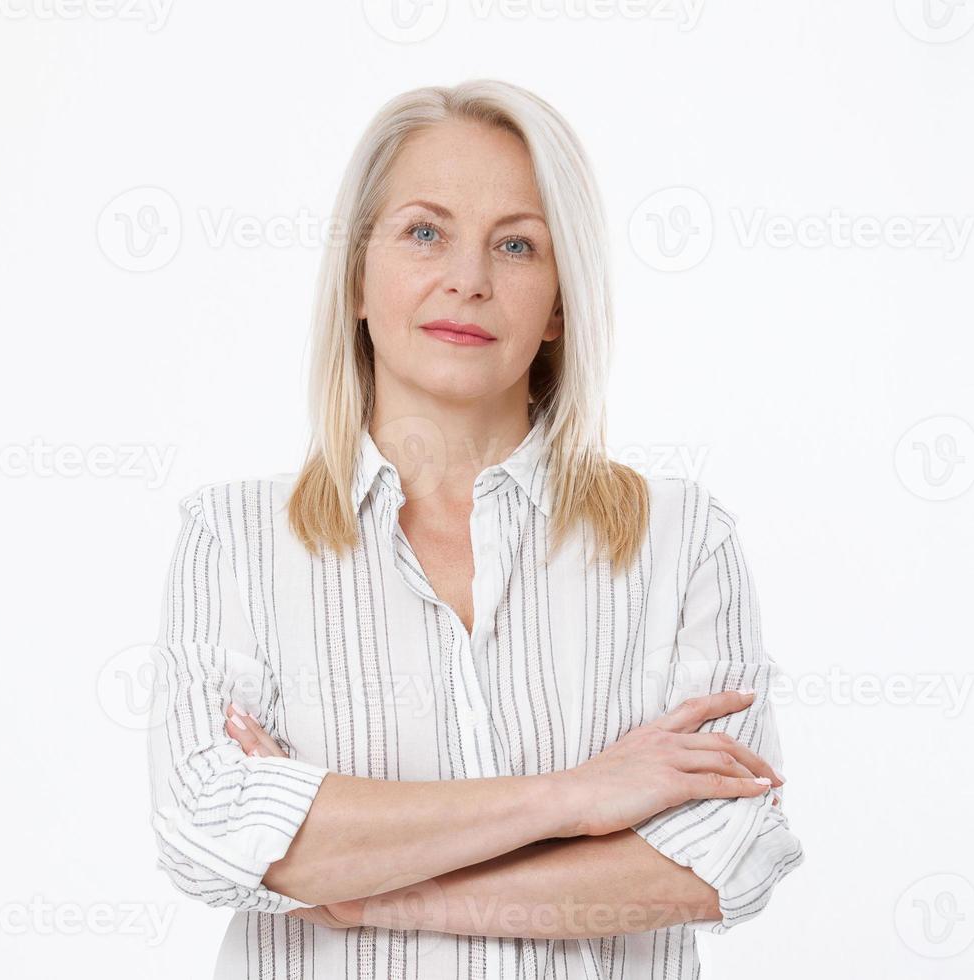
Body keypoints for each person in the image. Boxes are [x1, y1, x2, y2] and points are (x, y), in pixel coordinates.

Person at [145, 78, 803, 980]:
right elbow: (210, 829)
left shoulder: (681, 540)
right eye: (424, 232)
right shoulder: (236, 540)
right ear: (357, 282)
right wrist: (576, 798)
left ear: (560, 306)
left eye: (517, 245)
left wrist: (360, 881)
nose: (468, 279)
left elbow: (723, 854)